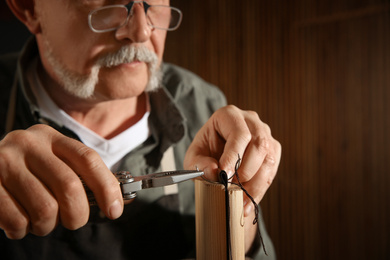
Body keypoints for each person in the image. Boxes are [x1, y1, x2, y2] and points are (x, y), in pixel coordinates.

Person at [0, 0, 281, 259]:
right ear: (29, 8)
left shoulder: (202, 104)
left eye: (153, 1)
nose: (141, 31)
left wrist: (237, 217)